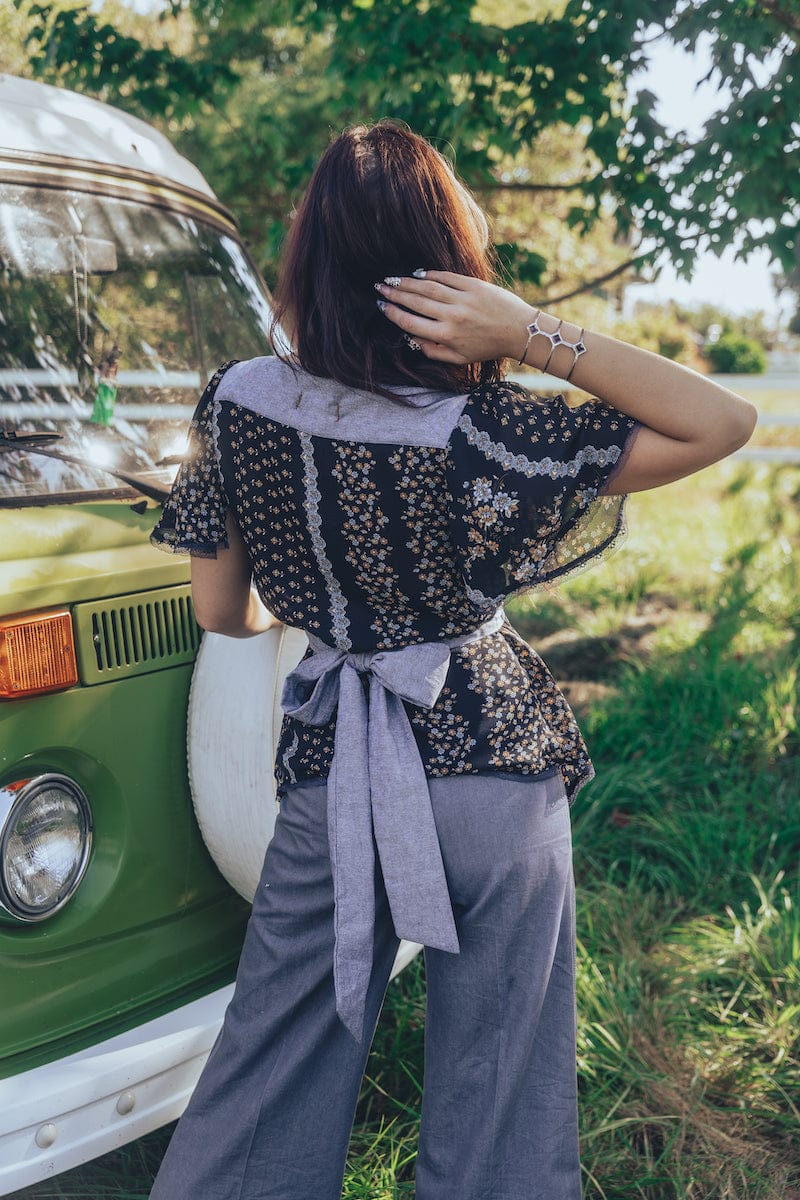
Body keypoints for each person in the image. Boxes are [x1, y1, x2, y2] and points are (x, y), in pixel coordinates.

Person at [148, 121, 756, 1200]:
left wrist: (333, 603)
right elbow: (719, 419)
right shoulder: (485, 432)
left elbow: (222, 615)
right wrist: (528, 332)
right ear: (445, 266)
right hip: (490, 762)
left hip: (332, 769)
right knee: (501, 1075)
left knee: (270, 1060)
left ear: (309, 259)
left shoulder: (238, 401)